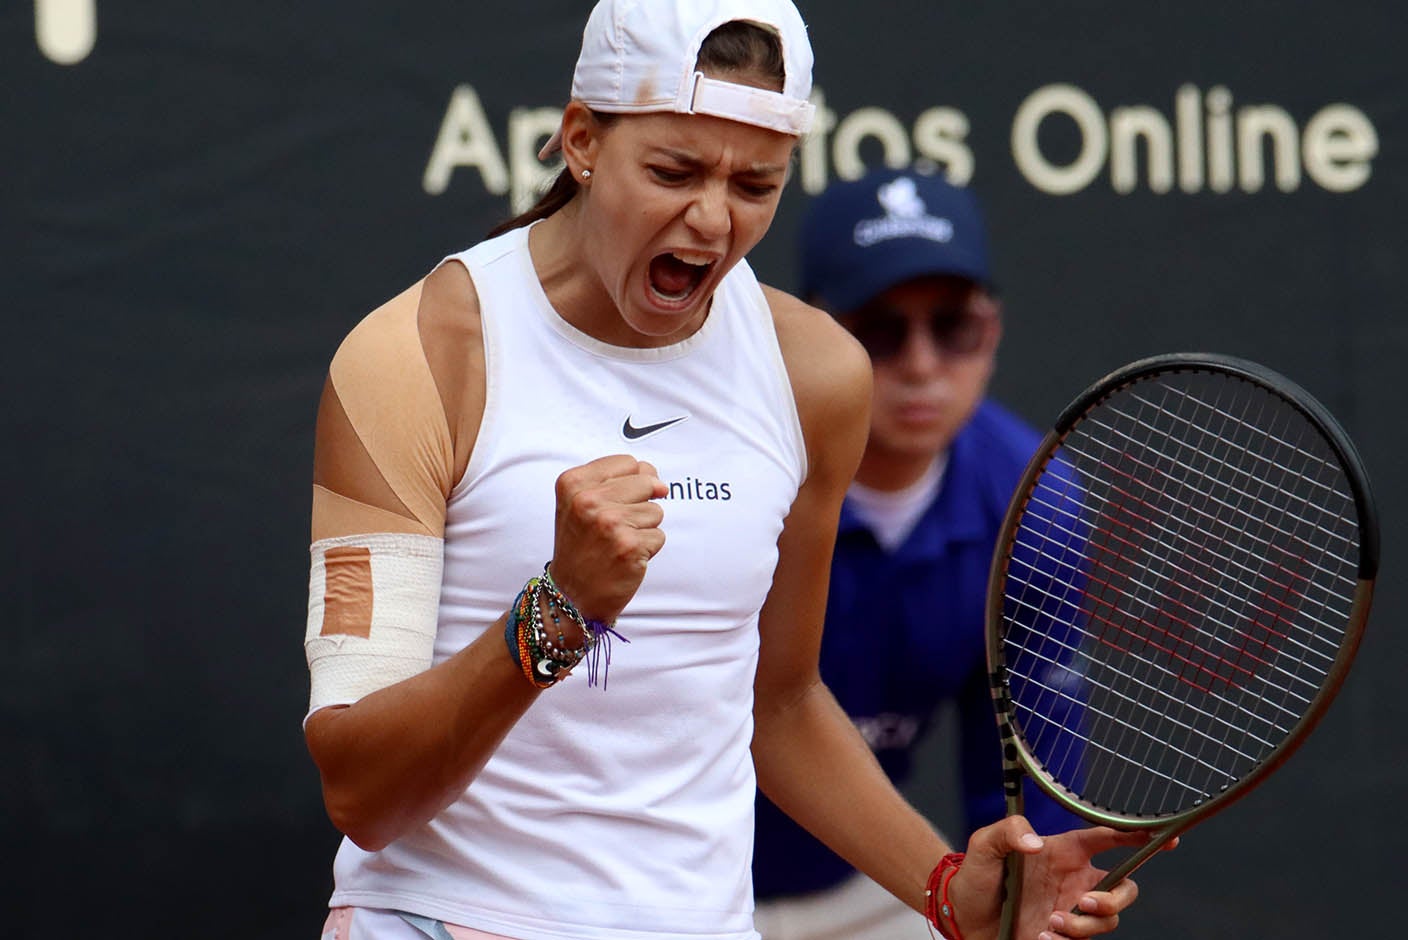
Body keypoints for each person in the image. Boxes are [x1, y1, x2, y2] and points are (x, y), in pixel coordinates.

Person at [302, 2, 1156, 939]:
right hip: (435, 917)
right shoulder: (415, 355)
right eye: (674, 171)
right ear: (581, 140)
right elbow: (362, 791)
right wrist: (559, 610)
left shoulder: (818, 375)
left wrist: (947, 891)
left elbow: (779, 700)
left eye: (756, 183)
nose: (711, 219)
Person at [751, 167, 1093, 940]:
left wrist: (1033, 899)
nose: (920, 363)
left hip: (863, 885)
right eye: (879, 328)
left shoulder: (1031, 499)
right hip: (669, 876)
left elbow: (1025, 789)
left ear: (992, 332)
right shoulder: (734, 474)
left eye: (952, 325)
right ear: (814, 334)